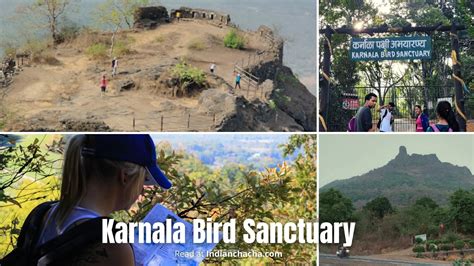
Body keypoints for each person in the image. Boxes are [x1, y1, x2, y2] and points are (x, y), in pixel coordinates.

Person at [2, 135, 172, 265]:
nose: (143, 188)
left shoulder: (42, 213)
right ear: (125, 177)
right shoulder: (113, 245)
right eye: (144, 180)